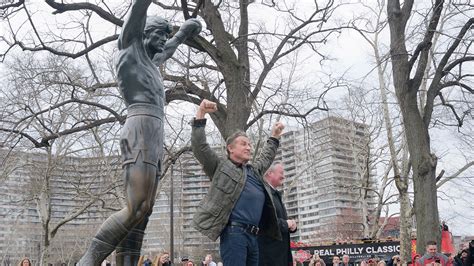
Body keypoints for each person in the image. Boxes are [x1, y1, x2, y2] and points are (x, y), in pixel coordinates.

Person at [77, 0, 201, 265]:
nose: (164, 41)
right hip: (140, 125)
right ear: (143, 32)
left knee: (145, 210)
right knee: (138, 204)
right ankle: (89, 259)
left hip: (155, 131)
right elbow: (138, 9)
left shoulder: (150, 60)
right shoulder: (129, 46)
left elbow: (167, 48)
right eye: (160, 34)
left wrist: (182, 33)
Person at [190, 99, 285, 265]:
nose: (248, 147)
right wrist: (201, 115)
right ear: (230, 148)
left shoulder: (254, 172)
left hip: (254, 237)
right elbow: (200, 148)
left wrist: (274, 136)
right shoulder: (220, 167)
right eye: (243, 144)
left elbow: (266, 156)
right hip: (235, 235)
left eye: (249, 144)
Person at [258, 163, 297, 266]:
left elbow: (279, 219)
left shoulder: (275, 194)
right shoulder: (264, 193)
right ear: (270, 173)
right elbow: (265, 221)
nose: (283, 176)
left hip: (281, 255)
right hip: (270, 256)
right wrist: (286, 224)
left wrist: (292, 225)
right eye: (281, 173)